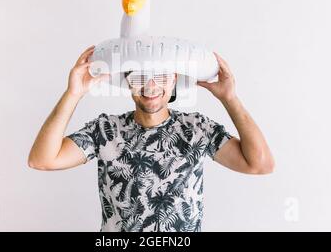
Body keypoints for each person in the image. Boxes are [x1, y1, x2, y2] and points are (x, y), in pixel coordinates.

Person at [28, 45, 275, 232]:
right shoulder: (105, 130)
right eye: (140, 76)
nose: (151, 86)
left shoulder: (197, 129)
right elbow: (41, 160)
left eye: (162, 76)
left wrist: (229, 99)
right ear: (127, 80)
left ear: (175, 78)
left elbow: (260, 164)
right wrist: (73, 94)